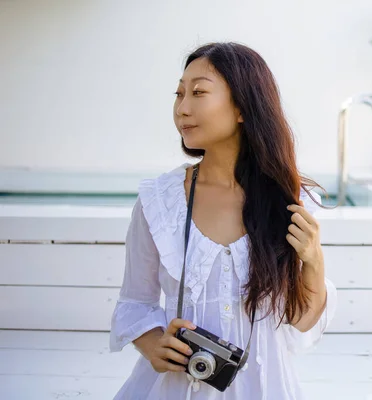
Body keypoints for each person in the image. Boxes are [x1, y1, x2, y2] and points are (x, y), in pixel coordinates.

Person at [108, 42, 337, 400]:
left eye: (199, 92)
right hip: (176, 389)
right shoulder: (159, 201)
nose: (182, 108)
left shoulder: (292, 200)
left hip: (265, 388)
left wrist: (314, 259)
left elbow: (302, 322)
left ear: (244, 106)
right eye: (179, 93)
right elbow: (135, 301)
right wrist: (154, 346)